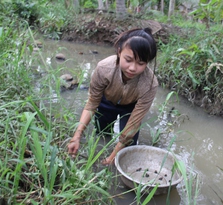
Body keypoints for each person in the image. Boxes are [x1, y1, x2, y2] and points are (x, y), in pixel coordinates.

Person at [67, 27, 158, 165]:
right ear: (119, 51)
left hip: (131, 108)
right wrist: (77, 135)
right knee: (102, 134)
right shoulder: (104, 68)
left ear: (147, 62)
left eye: (141, 63)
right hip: (106, 102)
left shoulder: (150, 84)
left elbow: (134, 122)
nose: (133, 68)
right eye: (128, 59)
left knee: (129, 144)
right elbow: (92, 103)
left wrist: (113, 157)